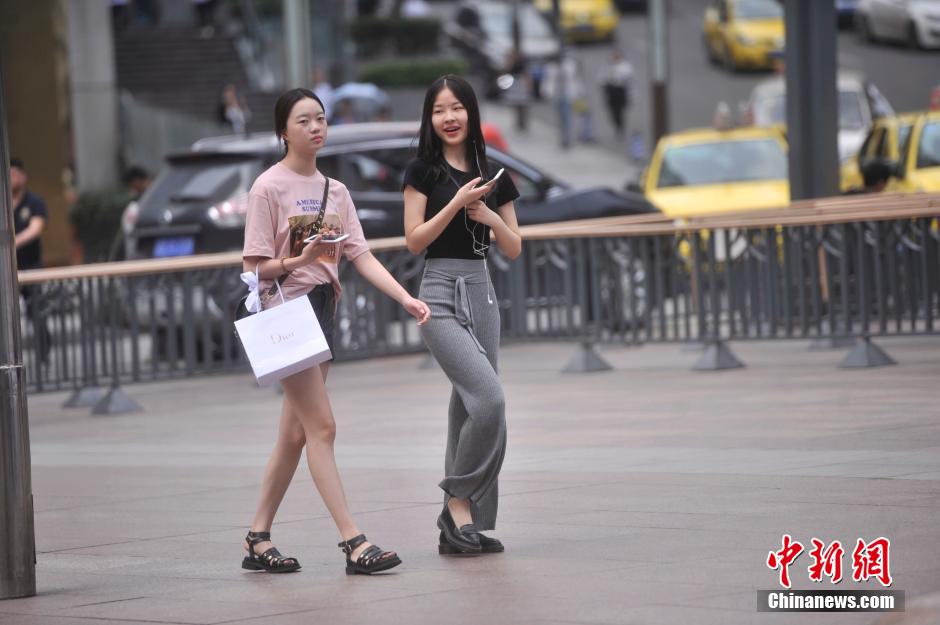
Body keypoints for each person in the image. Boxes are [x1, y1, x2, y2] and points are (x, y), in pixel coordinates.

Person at [241, 88, 431, 575]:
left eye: (321, 119)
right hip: (287, 311)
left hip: (324, 308)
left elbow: (359, 255)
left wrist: (405, 298)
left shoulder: (337, 191)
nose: (315, 128)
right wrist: (299, 259)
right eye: (303, 121)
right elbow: (254, 269)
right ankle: (353, 541)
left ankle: (258, 538)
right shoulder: (267, 187)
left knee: (295, 435)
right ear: (283, 132)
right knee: (321, 428)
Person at [402, 75, 522, 556]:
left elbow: (513, 247)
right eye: (439, 110)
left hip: (481, 292)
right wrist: (456, 203)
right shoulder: (421, 171)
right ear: (429, 119)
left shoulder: (495, 176)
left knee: (469, 404)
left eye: (457, 108)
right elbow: (414, 240)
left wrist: (489, 217)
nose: (449, 117)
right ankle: (457, 501)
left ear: (471, 112)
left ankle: (463, 526)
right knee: (490, 401)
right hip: (438, 294)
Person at [10, 158, 51, 363]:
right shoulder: (3, 203)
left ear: (23, 176)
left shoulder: (34, 202)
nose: (12, 179)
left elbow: (36, 229)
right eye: (8, 175)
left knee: (37, 311)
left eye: (15, 174)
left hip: (31, 266)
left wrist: (10, 245)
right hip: (7, 269)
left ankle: (43, 356)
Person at [543, 52, 592, 148]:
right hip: (557, 96)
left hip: (568, 95)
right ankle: (563, 136)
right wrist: (546, 92)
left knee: (568, 117)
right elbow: (548, 81)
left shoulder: (570, 66)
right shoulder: (550, 68)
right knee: (561, 118)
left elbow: (575, 79)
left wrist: (581, 91)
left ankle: (567, 138)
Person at [598, 50, 634, 140]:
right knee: (613, 111)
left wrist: (631, 93)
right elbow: (600, 79)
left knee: (620, 110)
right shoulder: (607, 66)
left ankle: (621, 127)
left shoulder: (625, 66)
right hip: (611, 90)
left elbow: (630, 79)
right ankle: (617, 126)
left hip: (621, 90)